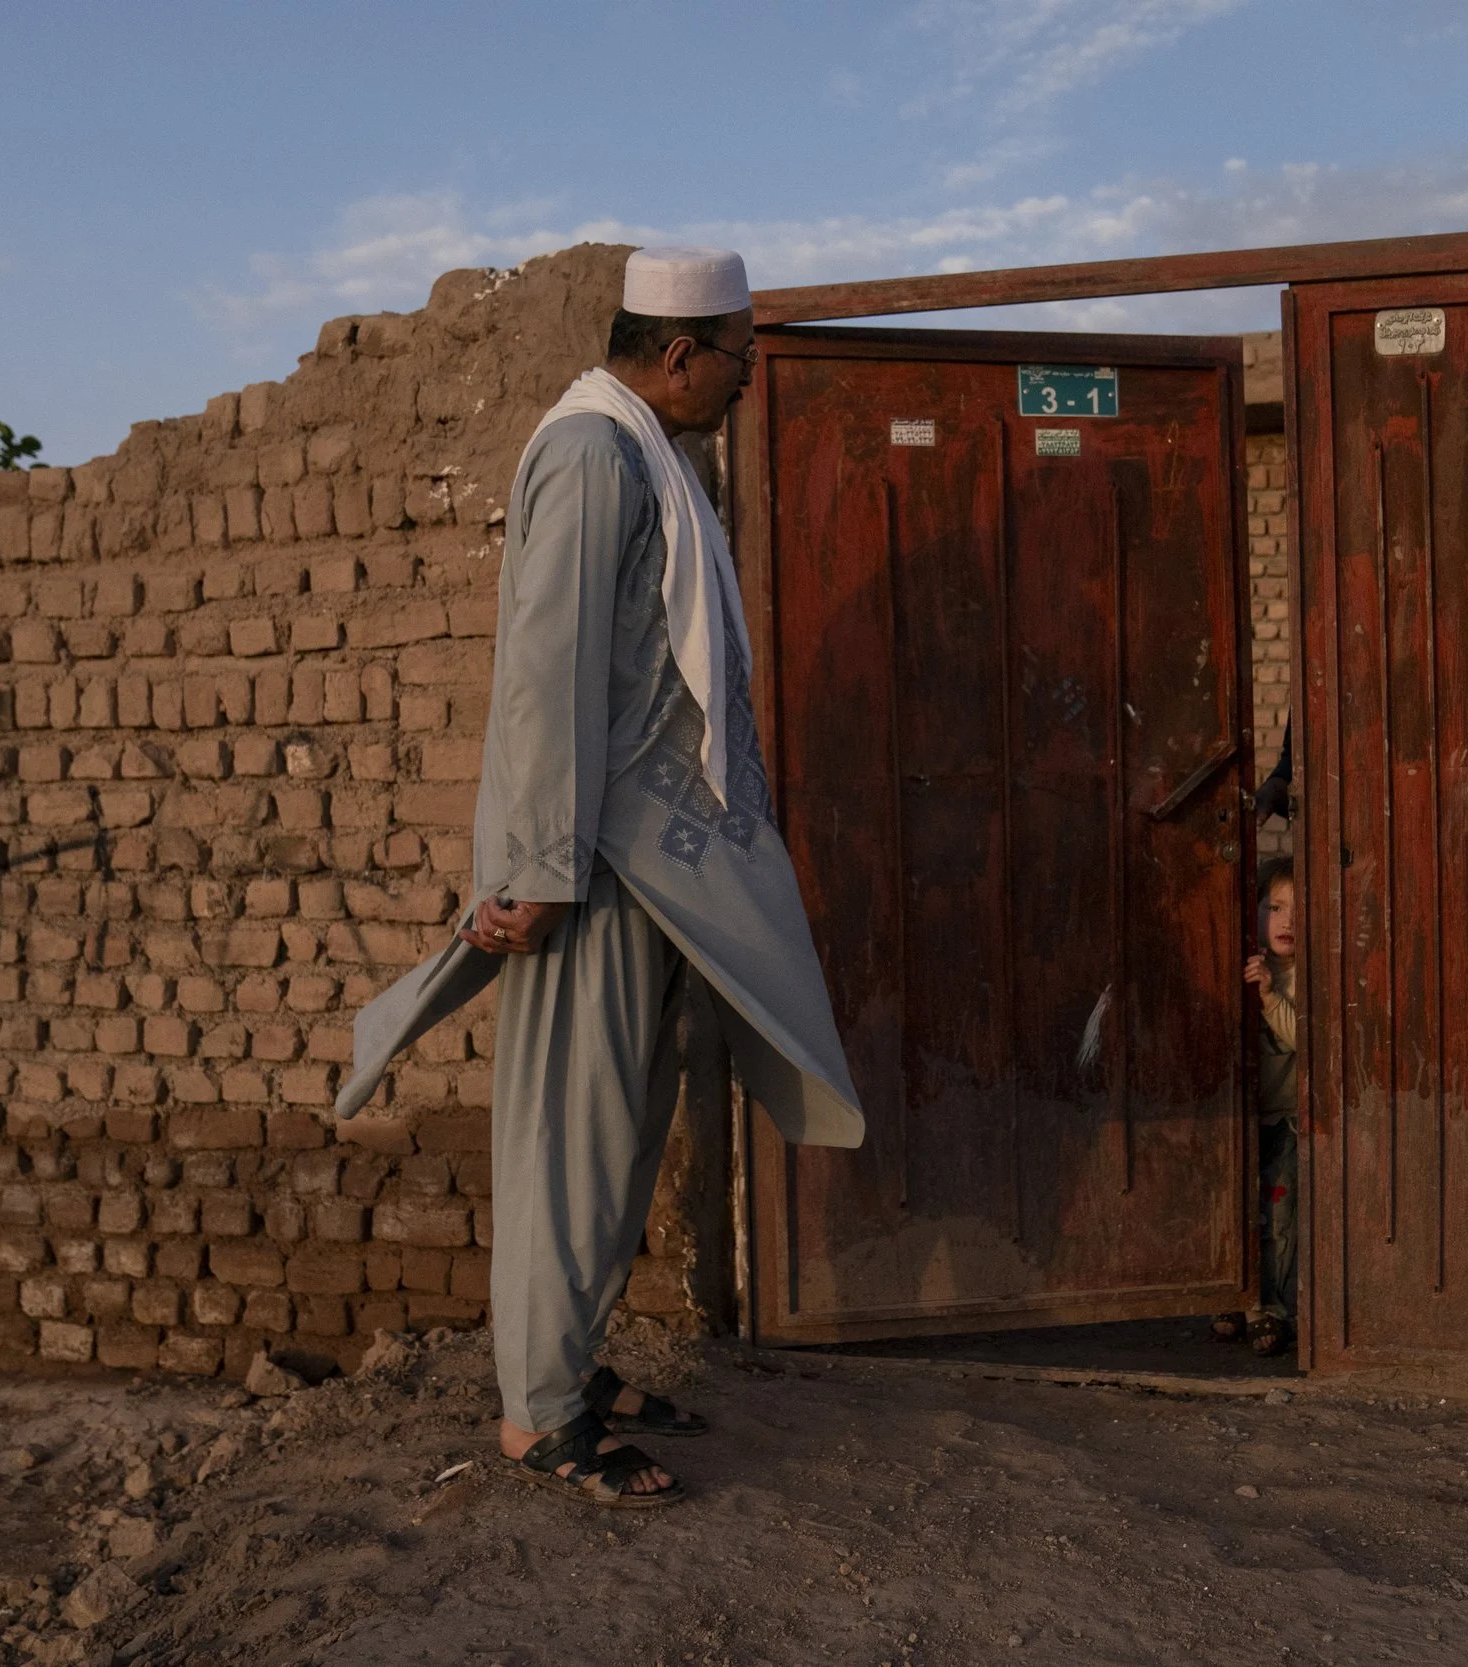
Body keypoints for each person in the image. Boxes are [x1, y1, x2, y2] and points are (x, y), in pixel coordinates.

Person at [333, 247, 866, 1509]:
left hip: (652, 868)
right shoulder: (589, 454)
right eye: (740, 357)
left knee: (618, 1138)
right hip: (592, 868)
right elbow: (545, 675)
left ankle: (569, 1365)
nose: (747, 381)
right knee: (572, 1139)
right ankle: (540, 1416)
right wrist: (533, 869)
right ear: (680, 355)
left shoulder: (651, 458)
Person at [1240, 856, 1299, 1354]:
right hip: (1237, 1120)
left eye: (1300, 910)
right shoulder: (1240, 963)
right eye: (1275, 907)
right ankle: (1234, 1298)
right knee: (1231, 1209)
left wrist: (1270, 997)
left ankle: (1273, 1308)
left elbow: (1308, 1038)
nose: (1288, 921)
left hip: (1285, 1120)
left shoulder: (1305, 977)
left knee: (1277, 1219)